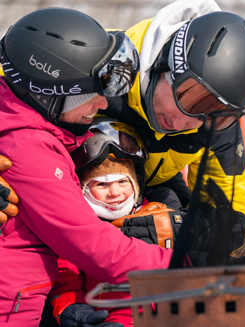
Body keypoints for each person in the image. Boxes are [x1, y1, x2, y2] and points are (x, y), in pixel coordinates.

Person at [0, 8, 181, 326]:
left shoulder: (31, 130)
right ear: (51, 94)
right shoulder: (26, 146)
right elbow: (96, 247)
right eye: (91, 93)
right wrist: (188, 264)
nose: (101, 105)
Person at [102, 0, 245, 253]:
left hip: (155, 189)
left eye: (210, 114)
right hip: (84, 190)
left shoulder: (217, 123)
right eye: (188, 97)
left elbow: (234, 212)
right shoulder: (107, 69)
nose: (179, 123)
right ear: (163, 63)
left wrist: (185, 230)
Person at [49, 118, 184, 327]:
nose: (114, 192)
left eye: (122, 181)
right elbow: (67, 277)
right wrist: (71, 307)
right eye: (101, 184)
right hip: (102, 315)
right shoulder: (77, 227)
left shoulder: (161, 215)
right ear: (82, 187)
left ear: (136, 182)